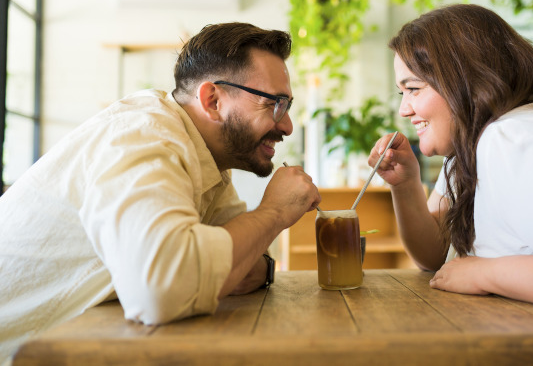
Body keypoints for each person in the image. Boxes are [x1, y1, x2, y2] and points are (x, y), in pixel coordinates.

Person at [0, 22, 321, 364]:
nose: (286, 125)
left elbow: (243, 266)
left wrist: (233, 260)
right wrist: (272, 213)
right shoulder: (143, 138)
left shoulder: (207, 159)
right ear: (212, 100)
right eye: (275, 103)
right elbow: (162, 289)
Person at [370, 4, 533, 316]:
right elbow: (433, 255)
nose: (404, 110)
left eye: (414, 89)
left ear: (467, 80)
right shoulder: (470, 149)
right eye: (401, 93)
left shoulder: (517, 138)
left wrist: (486, 272)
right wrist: (405, 185)